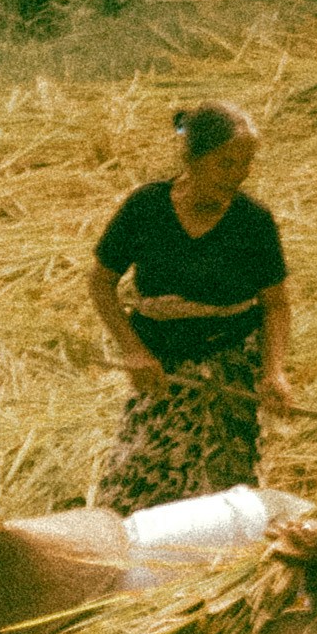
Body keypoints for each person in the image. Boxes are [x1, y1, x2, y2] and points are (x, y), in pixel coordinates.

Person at [88, 104, 291, 504]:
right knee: (133, 491)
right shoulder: (146, 207)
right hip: (160, 369)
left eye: (245, 164)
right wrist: (133, 351)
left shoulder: (253, 221)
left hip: (228, 371)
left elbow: (276, 305)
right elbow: (100, 282)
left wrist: (274, 373)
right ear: (192, 158)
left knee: (218, 496)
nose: (238, 175)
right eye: (225, 163)